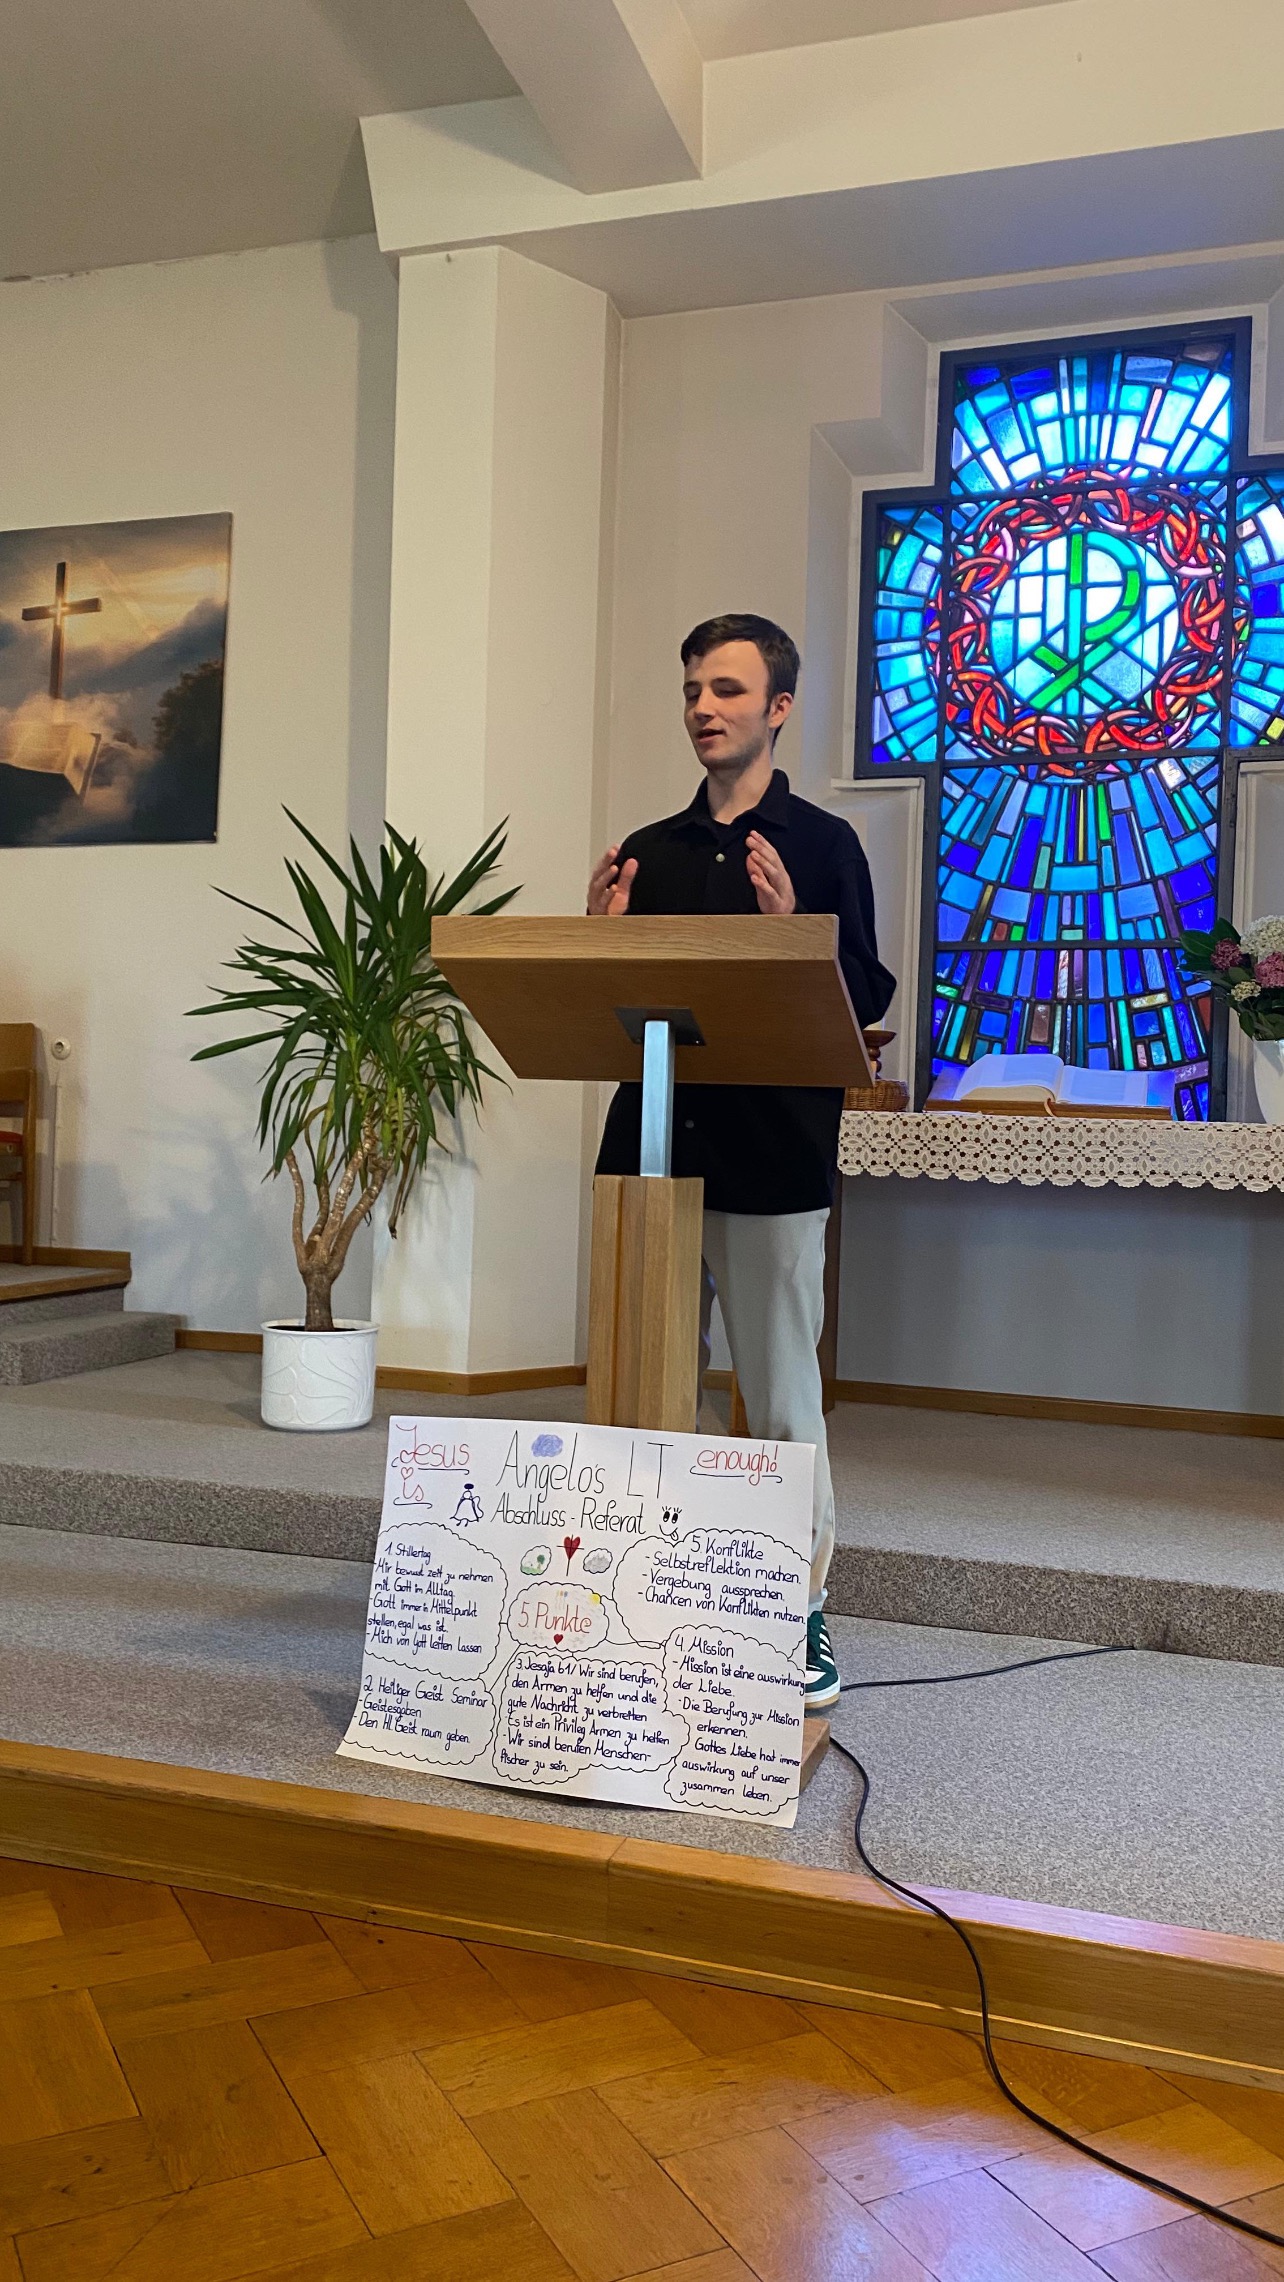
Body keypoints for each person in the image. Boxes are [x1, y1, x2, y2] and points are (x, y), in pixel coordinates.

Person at [588, 612, 895, 1708]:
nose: (702, 708)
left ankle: (798, 1612)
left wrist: (793, 930)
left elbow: (862, 999)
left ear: (779, 706)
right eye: (691, 690)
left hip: (771, 1155)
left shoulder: (823, 845)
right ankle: (641, 1595)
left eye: (725, 689)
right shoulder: (650, 848)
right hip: (651, 1156)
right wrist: (597, 942)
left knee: (780, 1399)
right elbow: (609, 1008)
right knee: (644, 1389)